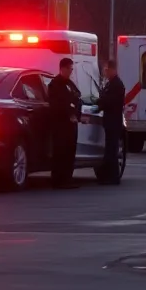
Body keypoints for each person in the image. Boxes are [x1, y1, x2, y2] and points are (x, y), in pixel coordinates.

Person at [47, 57, 81, 190]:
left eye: (72, 69)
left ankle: (68, 178)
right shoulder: (55, 84)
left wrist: (75, 113)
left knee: (70, 152)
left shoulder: (69, 83)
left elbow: (77, 95)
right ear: (62, 68)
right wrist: (69, 112)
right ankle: (58, 179)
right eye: (69, 69)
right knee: (60, 151)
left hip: (71, 124)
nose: (70, 72)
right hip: (61, 124)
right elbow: (58, 104)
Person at [96, 59, 126, 185]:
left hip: (113, 122)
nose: (105, 72)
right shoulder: (110, 83)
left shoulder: (117, 84)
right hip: (110, 121)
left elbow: (111, 101)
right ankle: (108, 175)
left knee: (112, 149)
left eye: (107, 70)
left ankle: (113, 177)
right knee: (109, 149)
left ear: (113, 69)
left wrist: (99, 103)